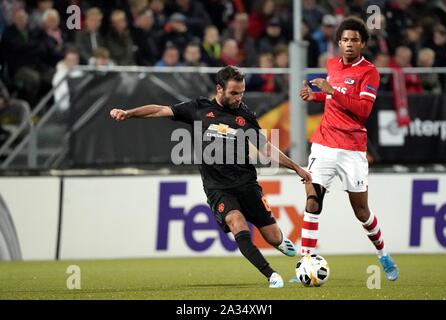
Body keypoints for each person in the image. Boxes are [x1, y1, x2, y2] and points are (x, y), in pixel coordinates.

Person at [110, 66, 312, 288]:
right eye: (234, 93)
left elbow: (266, 149)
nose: (239, 98)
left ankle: (281, 241)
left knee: (273, 237)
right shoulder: (198, 108)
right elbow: (159, 110)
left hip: (247, 184)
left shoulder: (245, 115)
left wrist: (296, 168)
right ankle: (271, 275)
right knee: (237, 222)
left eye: (242, 93)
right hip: (218, 188)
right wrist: (129, 113)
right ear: (219, 88)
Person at [299, 17, 399, 281]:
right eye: (344, 40)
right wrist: (317, 96)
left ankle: (383, 254)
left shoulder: (369, 72)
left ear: (363, 43)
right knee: (312, 201)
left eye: (354, 39)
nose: (349, 44)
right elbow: (333, 98)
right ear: (338, 43)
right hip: (323, 143)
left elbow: (363, 110)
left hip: (352, 149)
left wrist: (330, 90)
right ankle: (306, 263)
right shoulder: (332, 65)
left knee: (361, 211)